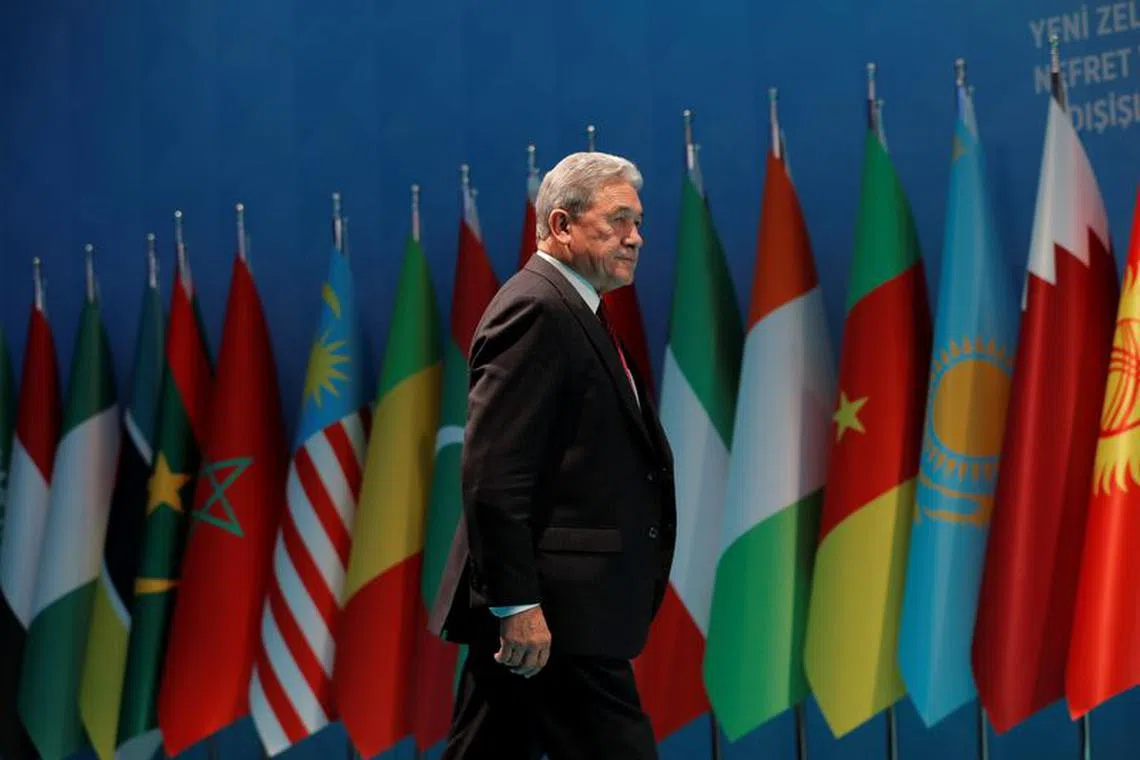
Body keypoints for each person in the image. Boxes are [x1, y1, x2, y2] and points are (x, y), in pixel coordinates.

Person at [429, 151, 676, 759]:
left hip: (567, 612)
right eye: (618, 221)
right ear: (561, 225)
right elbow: (493, 475)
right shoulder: (537, 310)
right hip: (556, 613)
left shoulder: (575, 309)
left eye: (638, 222)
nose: (635, 238)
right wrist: (517, 605)